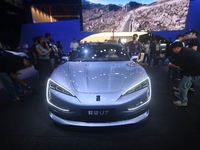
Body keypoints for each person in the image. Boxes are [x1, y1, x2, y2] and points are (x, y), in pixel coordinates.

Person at [170, 41, 200, 107]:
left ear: (177, 48)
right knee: (186, 85)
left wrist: (171, 65)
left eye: (173, 49)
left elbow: (179, 65)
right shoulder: (185, 50)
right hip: (194, 70)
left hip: (194, 71)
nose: (173, 51)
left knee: (183, 86)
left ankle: (183, 101)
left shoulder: (183, 53)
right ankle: (181, 94)